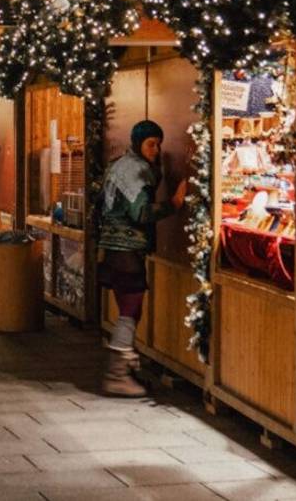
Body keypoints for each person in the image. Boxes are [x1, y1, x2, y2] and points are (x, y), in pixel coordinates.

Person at [97, 120, 185, 398]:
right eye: (151, 144)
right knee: (131, 308)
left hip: (110, 248)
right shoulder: (138, 170)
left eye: (158, 144)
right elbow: (141, 213)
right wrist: (174, 204)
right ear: (138, 143)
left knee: (127, 307)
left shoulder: (119, 164)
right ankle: (117, 374)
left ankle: (125, 368)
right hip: (127, 251)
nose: (156, 150)